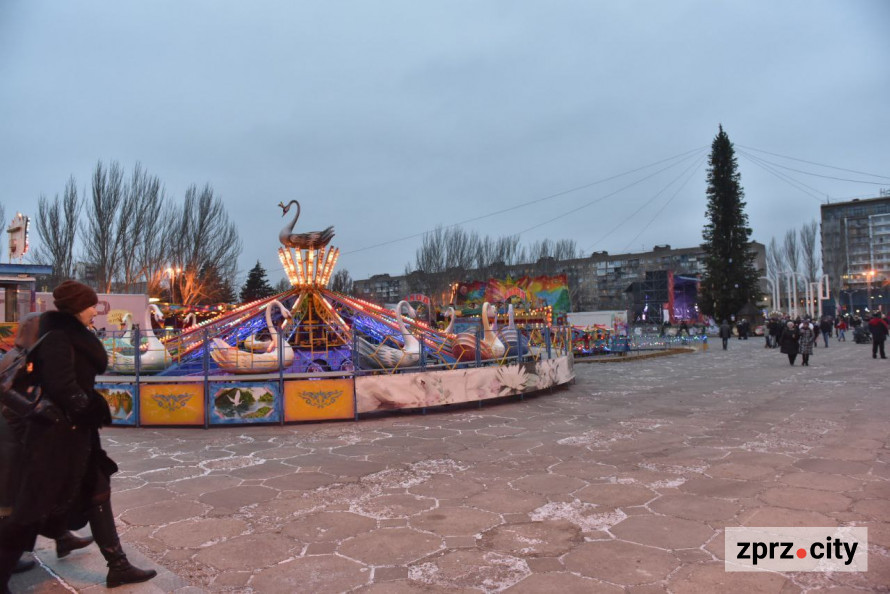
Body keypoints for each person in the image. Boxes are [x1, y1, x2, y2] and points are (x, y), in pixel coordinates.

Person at [0, 281, 157, 592]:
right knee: (30, 511)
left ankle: (118, 565)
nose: (94, 311)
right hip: (55, 438)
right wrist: (86, 408)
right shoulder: (59, 337)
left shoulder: (70, 335)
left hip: (76, 435)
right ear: (76, 307)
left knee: (98, 488)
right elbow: (61, 385)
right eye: (90, 305)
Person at [0, 314, 96, 577]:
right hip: (13, 444)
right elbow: (11, 402)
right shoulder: (20, 360)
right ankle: (7, 562)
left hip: (16, 441)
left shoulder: (19, 356)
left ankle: (60, 537)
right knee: (16, 507)